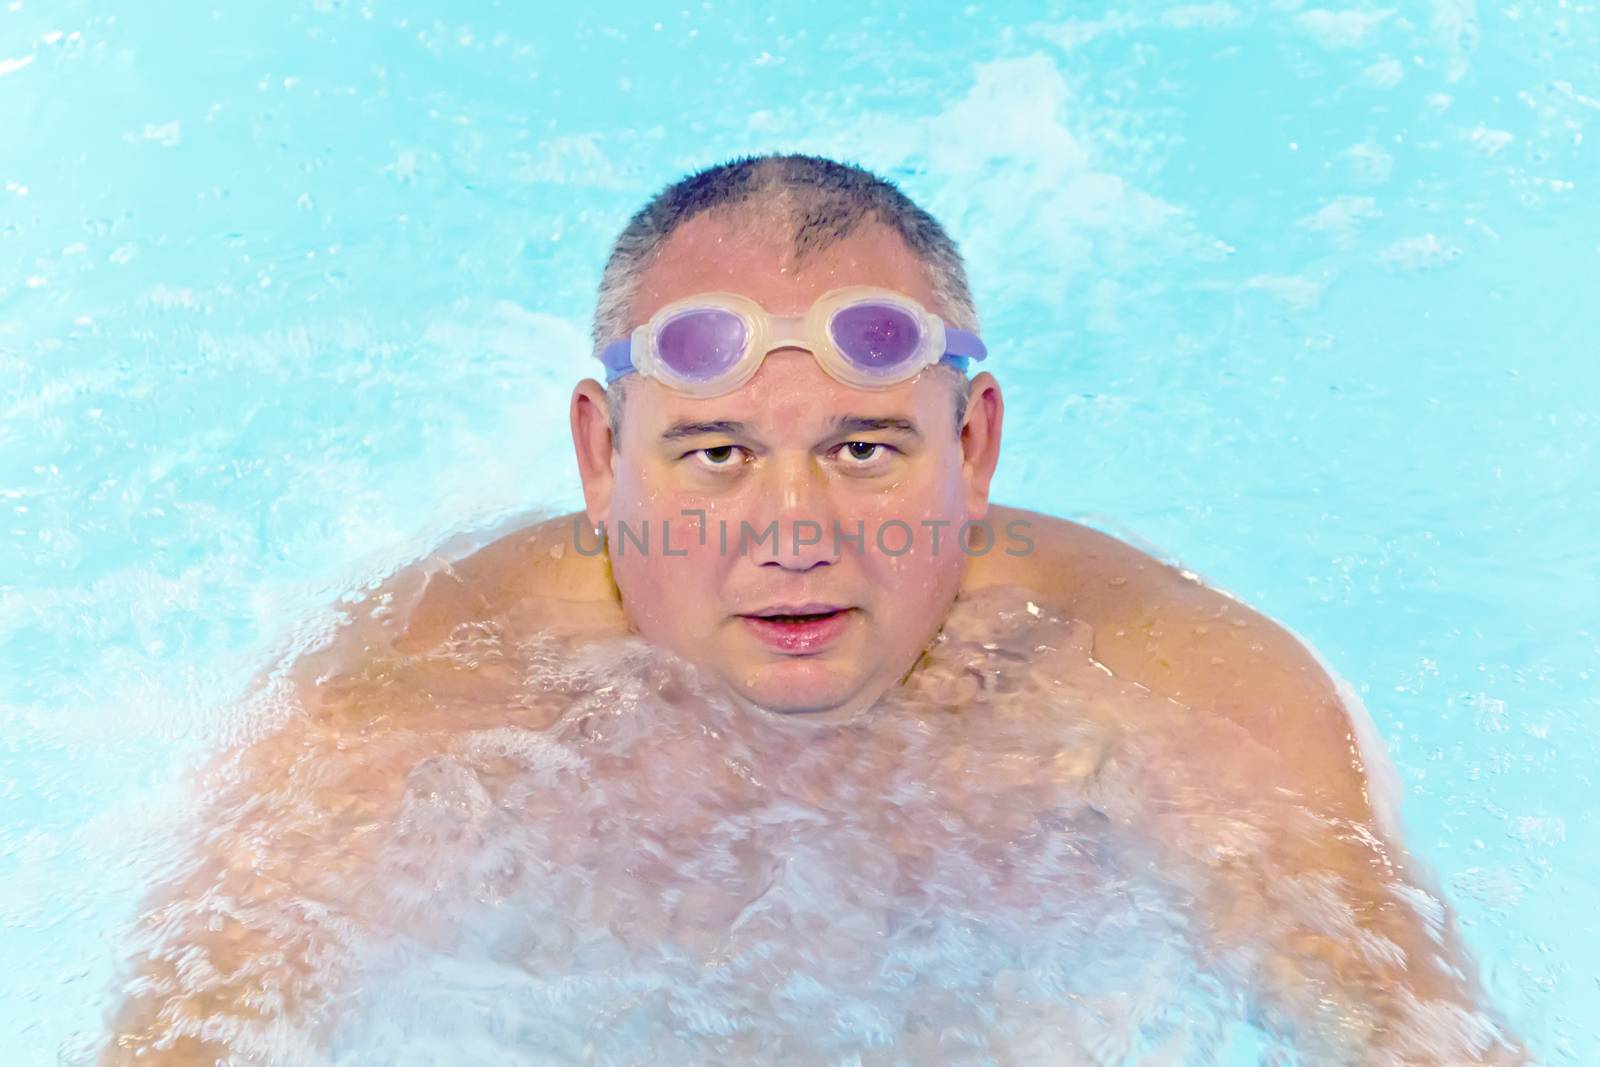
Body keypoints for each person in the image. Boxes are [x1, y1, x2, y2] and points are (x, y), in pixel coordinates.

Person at [103, 154, 1526, 1065]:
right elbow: (190, 1034)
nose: (797, 534)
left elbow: (1404, 1025)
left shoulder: (1164, 682)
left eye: (863, 449)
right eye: (718, 455)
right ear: (604, 460)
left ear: (970, 451)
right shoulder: (430, 697)